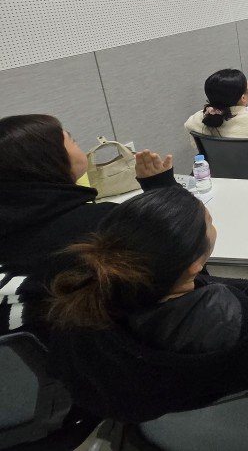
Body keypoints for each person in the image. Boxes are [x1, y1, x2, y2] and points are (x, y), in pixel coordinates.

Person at [45, 186, 248, 426]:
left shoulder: (88, 311)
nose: (213, 226)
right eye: (209, 222)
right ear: (193, 265)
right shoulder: (245, 325)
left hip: (168, 425)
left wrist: (161, 187)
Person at [0, 115, 175, 336]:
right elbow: (185, 246)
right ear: (50, 160)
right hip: (104, 349)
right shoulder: (105, 223)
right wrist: (162, 187)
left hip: (24, 356)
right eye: (70, 139)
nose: (76, 143)